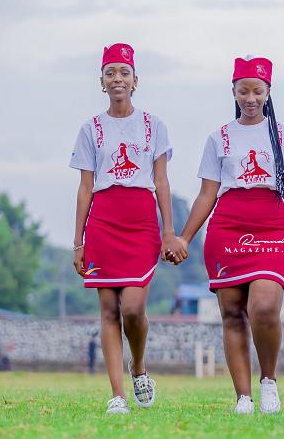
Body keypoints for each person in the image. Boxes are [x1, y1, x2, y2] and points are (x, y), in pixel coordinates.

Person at [176, 55, 284, 414]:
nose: (251, 98)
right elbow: (207, 195)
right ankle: (242, 397)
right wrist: (184, 238)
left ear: (268, 91)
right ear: (234, 91)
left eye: (257, 91)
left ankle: (268, 380)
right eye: (244, 91)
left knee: (265, 307)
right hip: (226, 229)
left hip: (272, 229)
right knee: (232, 314)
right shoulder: (218, 138)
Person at [69, 43, 186, 415]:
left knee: (133, 309)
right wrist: (78, 241)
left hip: (140, 222)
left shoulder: (154, 126)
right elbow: (85, 188)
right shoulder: (90, 129)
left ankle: (138, 367)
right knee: (108, 310)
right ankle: (117, 395)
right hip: (103, 221)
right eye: (110, 73)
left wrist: (169, 232)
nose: (117, 79)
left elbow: (162, 182)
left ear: (136, 80)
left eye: (124, 72)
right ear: (101, 81)